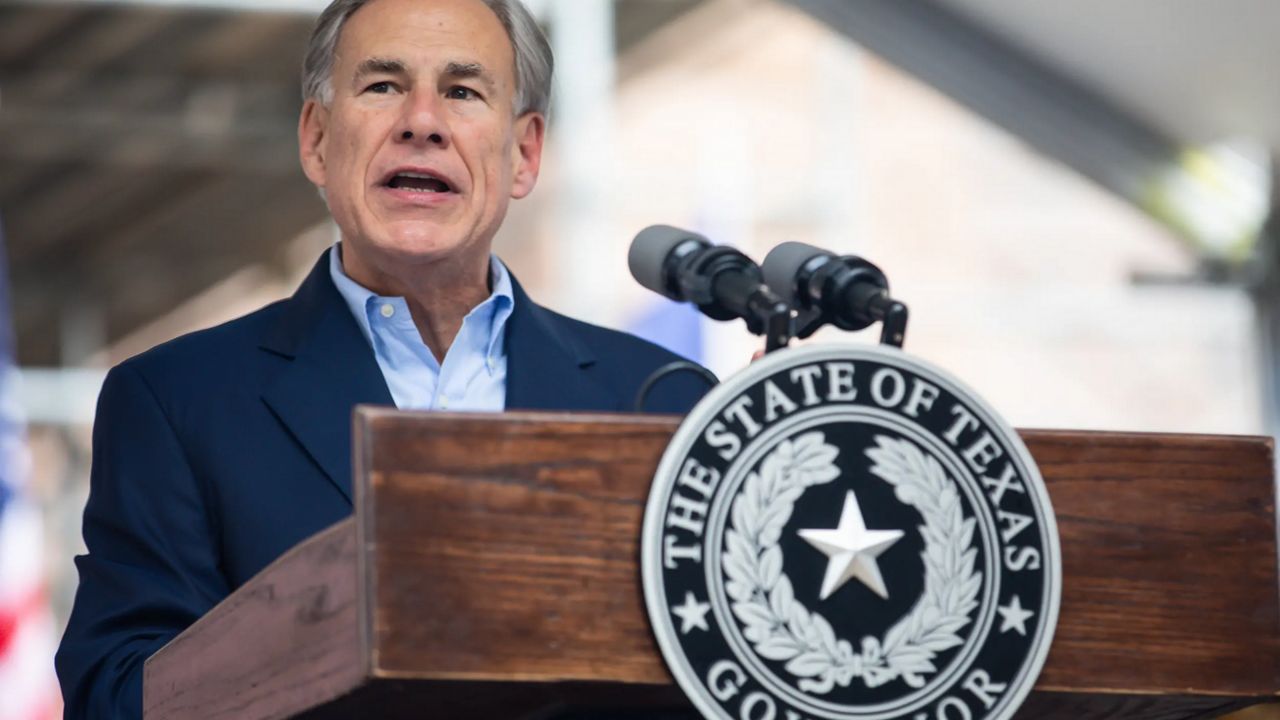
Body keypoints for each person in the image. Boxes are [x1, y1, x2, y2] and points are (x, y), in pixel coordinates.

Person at [54, 0, 710, 716]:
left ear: (523, 154)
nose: (421, 121)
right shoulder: (175, 401)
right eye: (383, 86)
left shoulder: (664, 401)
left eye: (462, 91)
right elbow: (114, 698)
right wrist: (327, 615)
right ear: (316, 141)